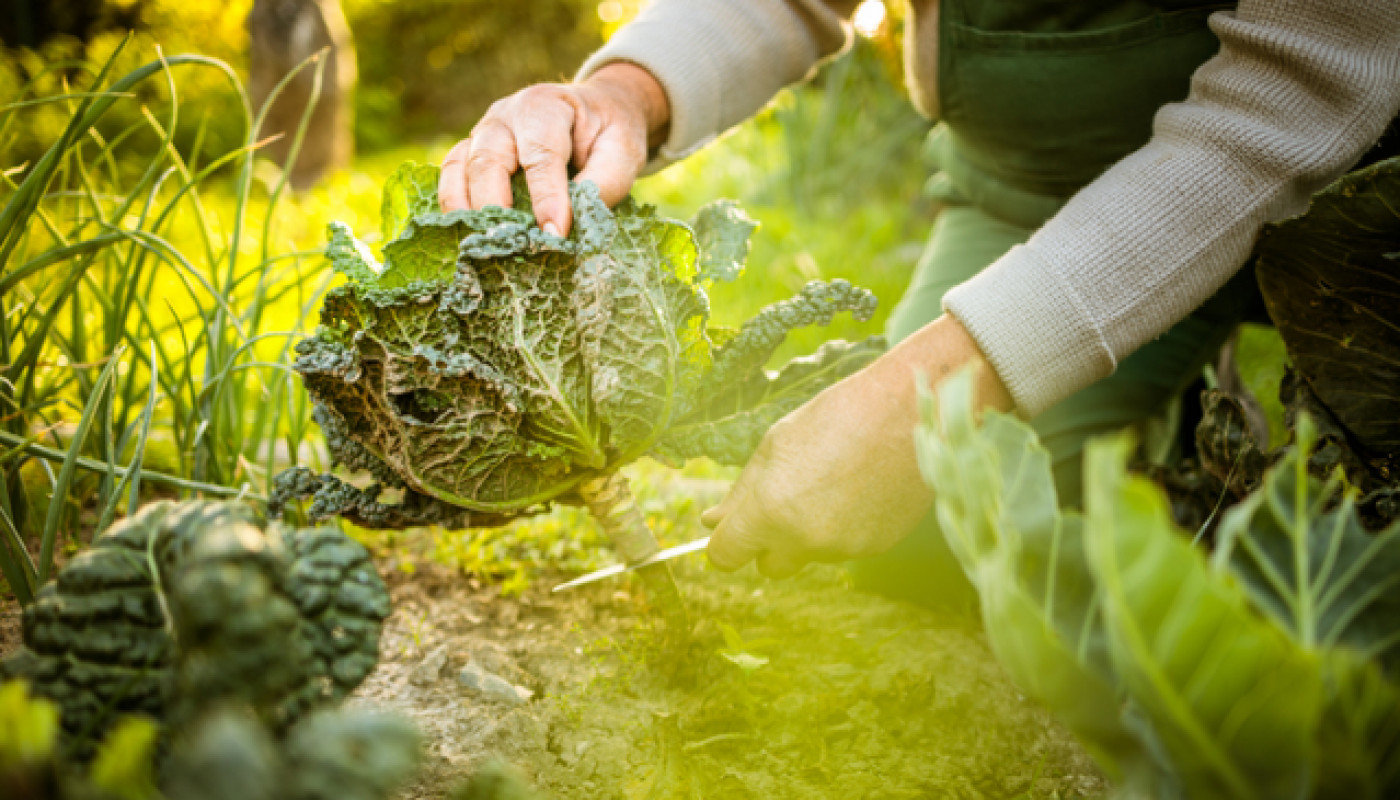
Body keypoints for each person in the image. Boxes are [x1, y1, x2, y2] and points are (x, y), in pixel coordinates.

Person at [439, 0, 1400, 607]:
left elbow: (1307, 85)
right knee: (933, 546)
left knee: (1341, 579)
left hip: (1347, 203)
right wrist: (625, 88)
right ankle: (1167, 420)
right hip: (1035, 195)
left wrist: (943, 381)